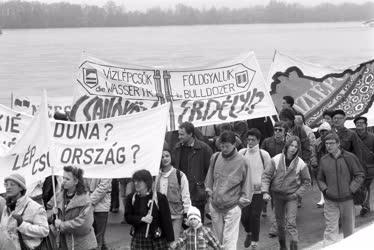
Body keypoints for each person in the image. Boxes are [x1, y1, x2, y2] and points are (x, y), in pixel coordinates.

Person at [262, 136, 311, 250]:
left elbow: (307, 181)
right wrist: (265, 191)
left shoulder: (301, 163)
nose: (293, 148)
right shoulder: (276, 159)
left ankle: (294, 247)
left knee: (291, 223)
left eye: (296, 146)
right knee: (279, 224)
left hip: (292, 196)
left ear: (298, 148)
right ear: (287, 146)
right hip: (277, 196)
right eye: (291, 145)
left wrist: (297, 194)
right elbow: (266, 176)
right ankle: (282, 246)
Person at [205, 130, 252, 250]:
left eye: (227, 146)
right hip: (215, 205)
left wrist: (240, 204)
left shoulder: (243, 161)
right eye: (222, 145)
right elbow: (209, 178)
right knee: (217, 240)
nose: (224, 148)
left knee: (229, 241)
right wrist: (209, 194)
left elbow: (247, 185)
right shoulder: (215, 157)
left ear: (234, 144)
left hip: (232, 206)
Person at [317, 133, 365, 246]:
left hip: (347, 199)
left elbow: (360, 175)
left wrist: (351, 190)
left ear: (338, 144)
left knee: (349, 230)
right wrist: (325, 190)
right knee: (330, 229)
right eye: (326, 143)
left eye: (331, 143)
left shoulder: (350, 157)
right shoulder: (323, 160)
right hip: (330, 200)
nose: (328, 146)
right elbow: (319, 179)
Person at [173, 122, 213, 223]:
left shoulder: (204, 149)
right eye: (179, 134)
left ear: (190, 134)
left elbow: (210, 172)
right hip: (180, 194)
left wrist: (206, 191)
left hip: (197, 194)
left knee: (196, 226)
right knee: (181, 225)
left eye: (182, 134)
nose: (179, 137)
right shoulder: (176, 148)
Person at [125, 169, 174, 250]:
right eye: (135, 181)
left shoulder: (159, 197)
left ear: (147, 182)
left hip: (157, 239)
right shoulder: (131, 198)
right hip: (139, 237)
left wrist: (170, 240)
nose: (136, 183)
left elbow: (166, 220)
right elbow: (127, 217)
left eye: (139, 181)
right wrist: (142, 219)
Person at [239, 128, 271, 249]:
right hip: (244, 191)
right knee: (244, 217)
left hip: (259, 191)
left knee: (255, 216)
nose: (250, 142)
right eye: (248, 139)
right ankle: (249, 233)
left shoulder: (264, 154)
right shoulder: (241, 153)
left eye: (253, 139)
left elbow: (269, 173)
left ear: (258, 140)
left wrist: (266, 190)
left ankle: (254, 242)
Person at [51, 166, 97, 250]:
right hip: (64, 244)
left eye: (67, 179)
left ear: (76, 181)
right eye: (63, 178)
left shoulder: (85, 199)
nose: (63, 181)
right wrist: (53, 215)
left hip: (82, 245)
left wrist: (62, 225)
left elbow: (84, 225)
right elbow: (49, 210)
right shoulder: (59, 196)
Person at [1, 173, 49, 250]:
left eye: (12, 184)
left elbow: (44, 231)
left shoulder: (34, 207)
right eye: (6, 185)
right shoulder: (6, 206)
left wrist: (22, 224)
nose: (8, 187)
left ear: (21, 188)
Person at [261, 121, 288, 238]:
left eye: (280, 130)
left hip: (285, 176)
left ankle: (277, 225)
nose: (277, 132)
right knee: (274, 202)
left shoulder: (289, 143)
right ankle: (279, 223)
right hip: (270, 176)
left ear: (285, 132)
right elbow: (261, 156)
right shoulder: (267, 142)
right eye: (275, 129)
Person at [157, 148, 191, 238]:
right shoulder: (156, 176)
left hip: (176, 215)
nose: (164, 158)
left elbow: (186, 196)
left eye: (167, 156)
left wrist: (187, 213)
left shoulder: (180, 175)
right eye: (162, 157)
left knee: (174, 243)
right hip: (160, 216)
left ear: (171, 157)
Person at [353, 116, 374, 216]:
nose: (359, 125)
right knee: (359, 186)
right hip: (356, 167)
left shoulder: (372, 137)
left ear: (366, 125)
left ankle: (365, 205)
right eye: (357, 123)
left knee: (366, 186)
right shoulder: (352, 137)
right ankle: (363, 204)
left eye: (362, 123)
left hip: (369, 167)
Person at [85, 177, 111, 250]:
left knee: (98, 237)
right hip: (89, 205)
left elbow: (103, 187)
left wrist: (89, 201)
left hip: (101, 207)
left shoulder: (105, 169)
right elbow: (84, 185)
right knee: (96, 236)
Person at [314, 122, 332, 208]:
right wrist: (314, 162)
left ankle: (328, 201)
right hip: (320, 165)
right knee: (322, 182)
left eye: (325, 131)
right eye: (322, 131)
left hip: (331, 164)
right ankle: (323, 199)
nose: (324, 133)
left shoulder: (333, 140)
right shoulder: (317, 142)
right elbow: (313, 153)